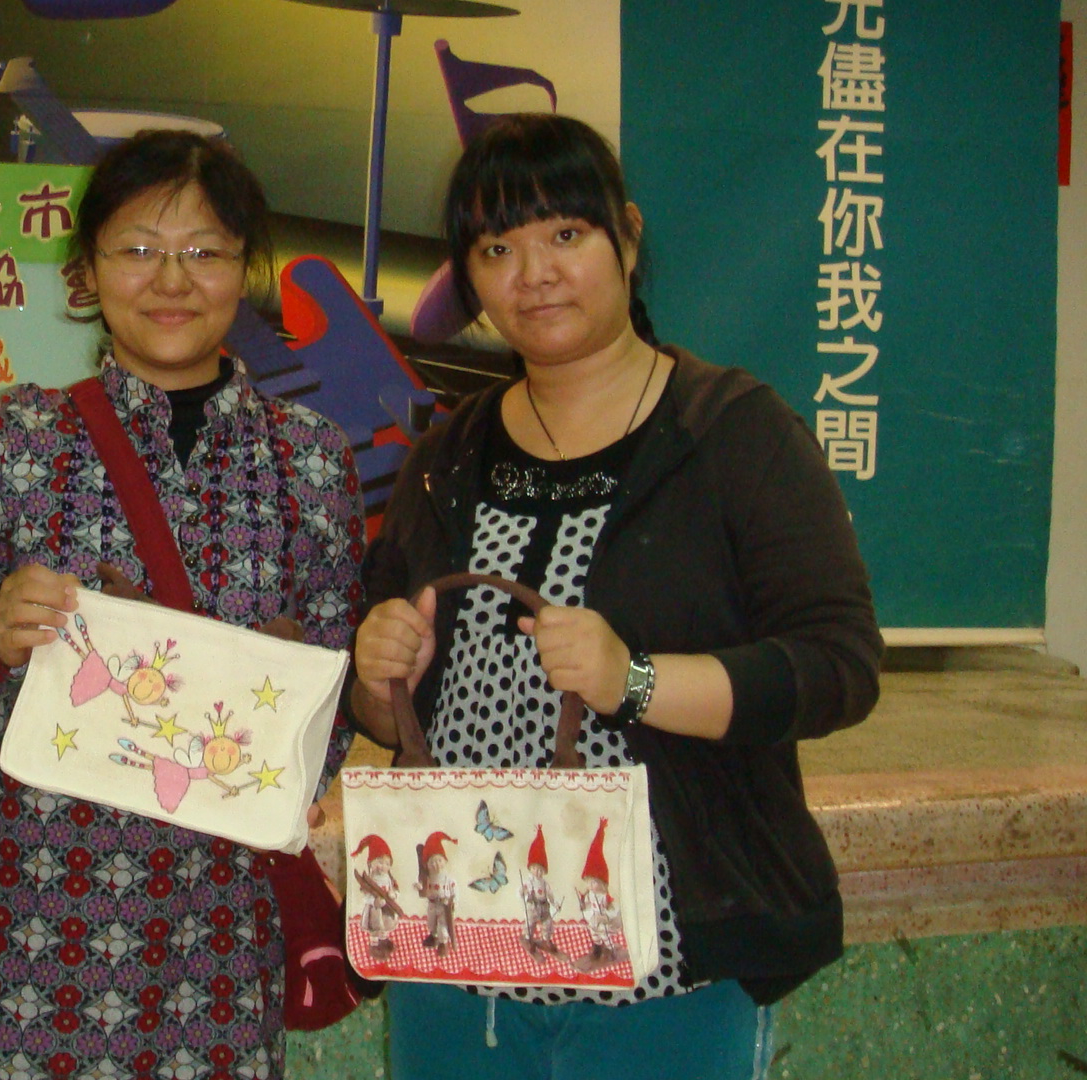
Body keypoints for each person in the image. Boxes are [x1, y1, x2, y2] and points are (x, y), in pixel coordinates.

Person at [349, 114, 881, 1079]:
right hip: (453, 952)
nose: (534, 274)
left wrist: (632, 681)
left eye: (566, 234)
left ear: (627, 239)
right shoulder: (446, 455)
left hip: (666, 964)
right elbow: (383, 711)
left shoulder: (733, 433)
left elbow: (837, 668)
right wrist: (380, 670)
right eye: (497, 249)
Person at [0, 129, 365, 1078]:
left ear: (245, 270)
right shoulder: (20, 438)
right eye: (139, 249)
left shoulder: (309, 460)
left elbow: (339, 684)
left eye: (204, 252)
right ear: (88, 269)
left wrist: (289, 747)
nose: (172, 280)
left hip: (223, 928)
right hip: (28, 927)